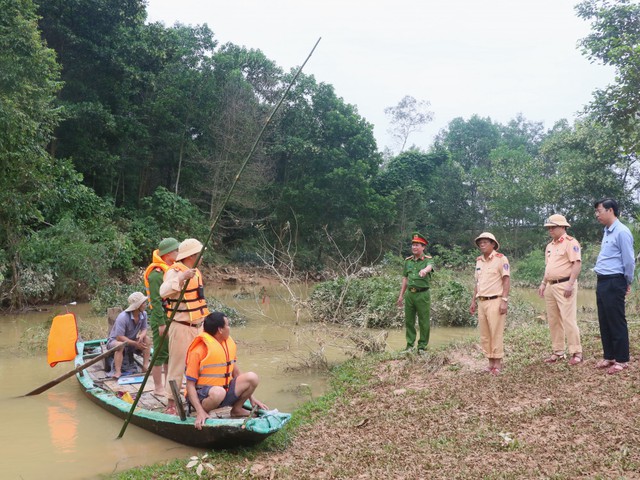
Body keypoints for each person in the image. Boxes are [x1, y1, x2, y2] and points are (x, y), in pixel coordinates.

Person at [185, 311, 267, 430]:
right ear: (220, 330)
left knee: (252, 377)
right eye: (228, 325)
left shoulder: (227, 344)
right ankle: (204, 412)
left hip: (223, 391)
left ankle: (237, 409)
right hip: (203, 395)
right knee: (219, 392)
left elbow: (237, 374)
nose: (229, 328)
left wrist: (252, 398)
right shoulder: (198, 350)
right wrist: (199, 411)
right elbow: (190, 385)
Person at [159, 238, 209, 414]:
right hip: (181, 326)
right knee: (177, 365)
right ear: (191, 256)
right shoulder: (175, 271)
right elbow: (163, 291)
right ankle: (171, 403)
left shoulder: (195, 272)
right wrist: (181, 278)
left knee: (200, 363)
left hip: (198, 326)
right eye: (199, 254)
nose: (202, 257)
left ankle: (197, 398)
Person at [593, 198, 635, 375]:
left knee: (616, 320)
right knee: (604, 320)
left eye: (599, 211)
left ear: (610, 211)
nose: (597, 215)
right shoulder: (607, 231)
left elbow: (629, 260)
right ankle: (609, 356)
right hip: (602, 280)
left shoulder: (622, 232)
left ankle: (622, 359)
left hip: (614, 280)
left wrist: (627, 281)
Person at [538, 214, 583, 365]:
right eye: (549, 227)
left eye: (553, 227)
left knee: (568, 318)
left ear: (563, 227)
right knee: (553, 320)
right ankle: (558, 351)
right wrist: (544, 283)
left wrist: (570, 284)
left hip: (565, 285)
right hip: (551, 285)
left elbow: (576, 264)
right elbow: (548, 266)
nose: (550, 229)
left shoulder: (571, 243)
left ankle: (576, 352)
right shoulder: (550, 246)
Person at [143, 237, 180, 396]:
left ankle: (167, 386)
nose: (179, 253)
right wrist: (160, 323)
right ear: (168, 253)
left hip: (172, 316)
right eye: (177, 250)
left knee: (169, 354)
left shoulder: (171, 269)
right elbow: (156, 301)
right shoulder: (156, 274)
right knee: (159, 353)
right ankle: (158, 387)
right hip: (162, 317)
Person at [469, 232, 510, 375]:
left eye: (486, 242)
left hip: (495, 300)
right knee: (485, 334)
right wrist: (473, 300)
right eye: (480, 242)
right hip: (482, 301)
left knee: (496, 332)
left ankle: (498, 363)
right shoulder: (479, 261)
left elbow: (506, 280)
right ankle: (490, 362)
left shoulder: (501, 259)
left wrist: (504, 300)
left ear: (493, 244)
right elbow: (477, 282)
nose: (482, 244)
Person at [396, 232, 434, 353]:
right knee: (409, 321)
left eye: (417, 245)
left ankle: (422, 346)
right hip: (410, 295)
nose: (414, 247)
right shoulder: (408, 261)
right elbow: (405, 279)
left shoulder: (428, 260)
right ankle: (409, 346)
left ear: (423, 247)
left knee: (424, 321)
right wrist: (401, 296)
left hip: (422, 294)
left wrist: (424, 271)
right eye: (413, 245)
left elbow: (429, 267)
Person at [106, 292, 151, 379]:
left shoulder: (143, 314)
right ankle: (118, 371)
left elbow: (144, 329)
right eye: (144, 303)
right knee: (120, 345)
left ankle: (145, 366)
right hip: (115, 342)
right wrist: (135, 343)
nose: (145, 305)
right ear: (138, 306)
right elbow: (119, 337)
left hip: (131, 341)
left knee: (147, 339)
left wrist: (141, 336)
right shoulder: (123, 317)